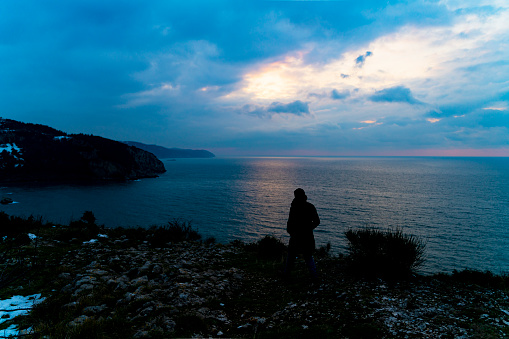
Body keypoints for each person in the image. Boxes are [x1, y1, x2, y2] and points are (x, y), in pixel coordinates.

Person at [284, 188, 320, 279]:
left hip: (296, 235)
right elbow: (317, 221)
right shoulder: (310, 206)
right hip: (306, 236)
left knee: (291, 256)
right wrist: (309, 229)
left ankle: (286, 275)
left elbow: (290, 222)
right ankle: (314, 276)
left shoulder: (294, 207)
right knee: (307, 256)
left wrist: (291, 232)